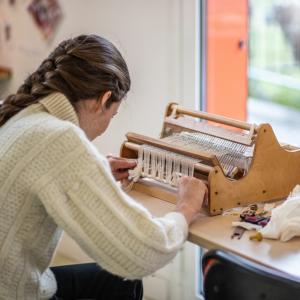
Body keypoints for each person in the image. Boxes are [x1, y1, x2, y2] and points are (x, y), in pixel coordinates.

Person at [0, 34, 207, 300]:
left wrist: (96, 173)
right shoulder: (59, 137)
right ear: (104, 99)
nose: (109, 122)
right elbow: (141, 252)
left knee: (118, 281)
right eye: (113, 114)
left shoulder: (17, 112)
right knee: (127, 273)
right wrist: (186, 208)